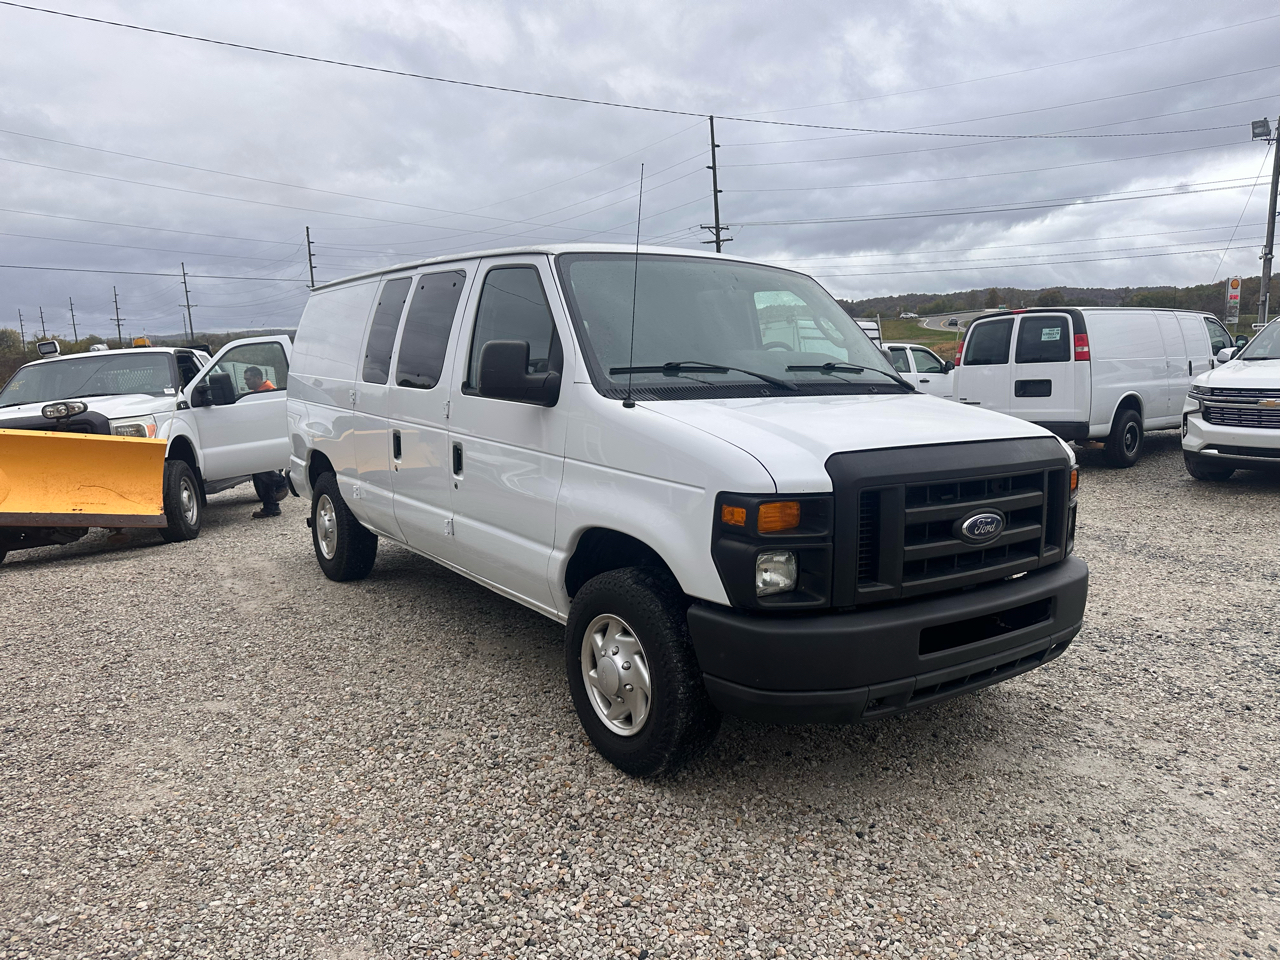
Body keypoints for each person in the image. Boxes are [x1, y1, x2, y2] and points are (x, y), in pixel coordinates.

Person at [244, 366, 288, 519]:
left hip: (266, 438)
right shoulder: (257, 394)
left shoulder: (268, 393)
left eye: (248, 379)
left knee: (262, 470)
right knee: (261, 470)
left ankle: (283, 482)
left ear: (258, 378)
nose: (246, 382)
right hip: (261, 437)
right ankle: (271, 507)